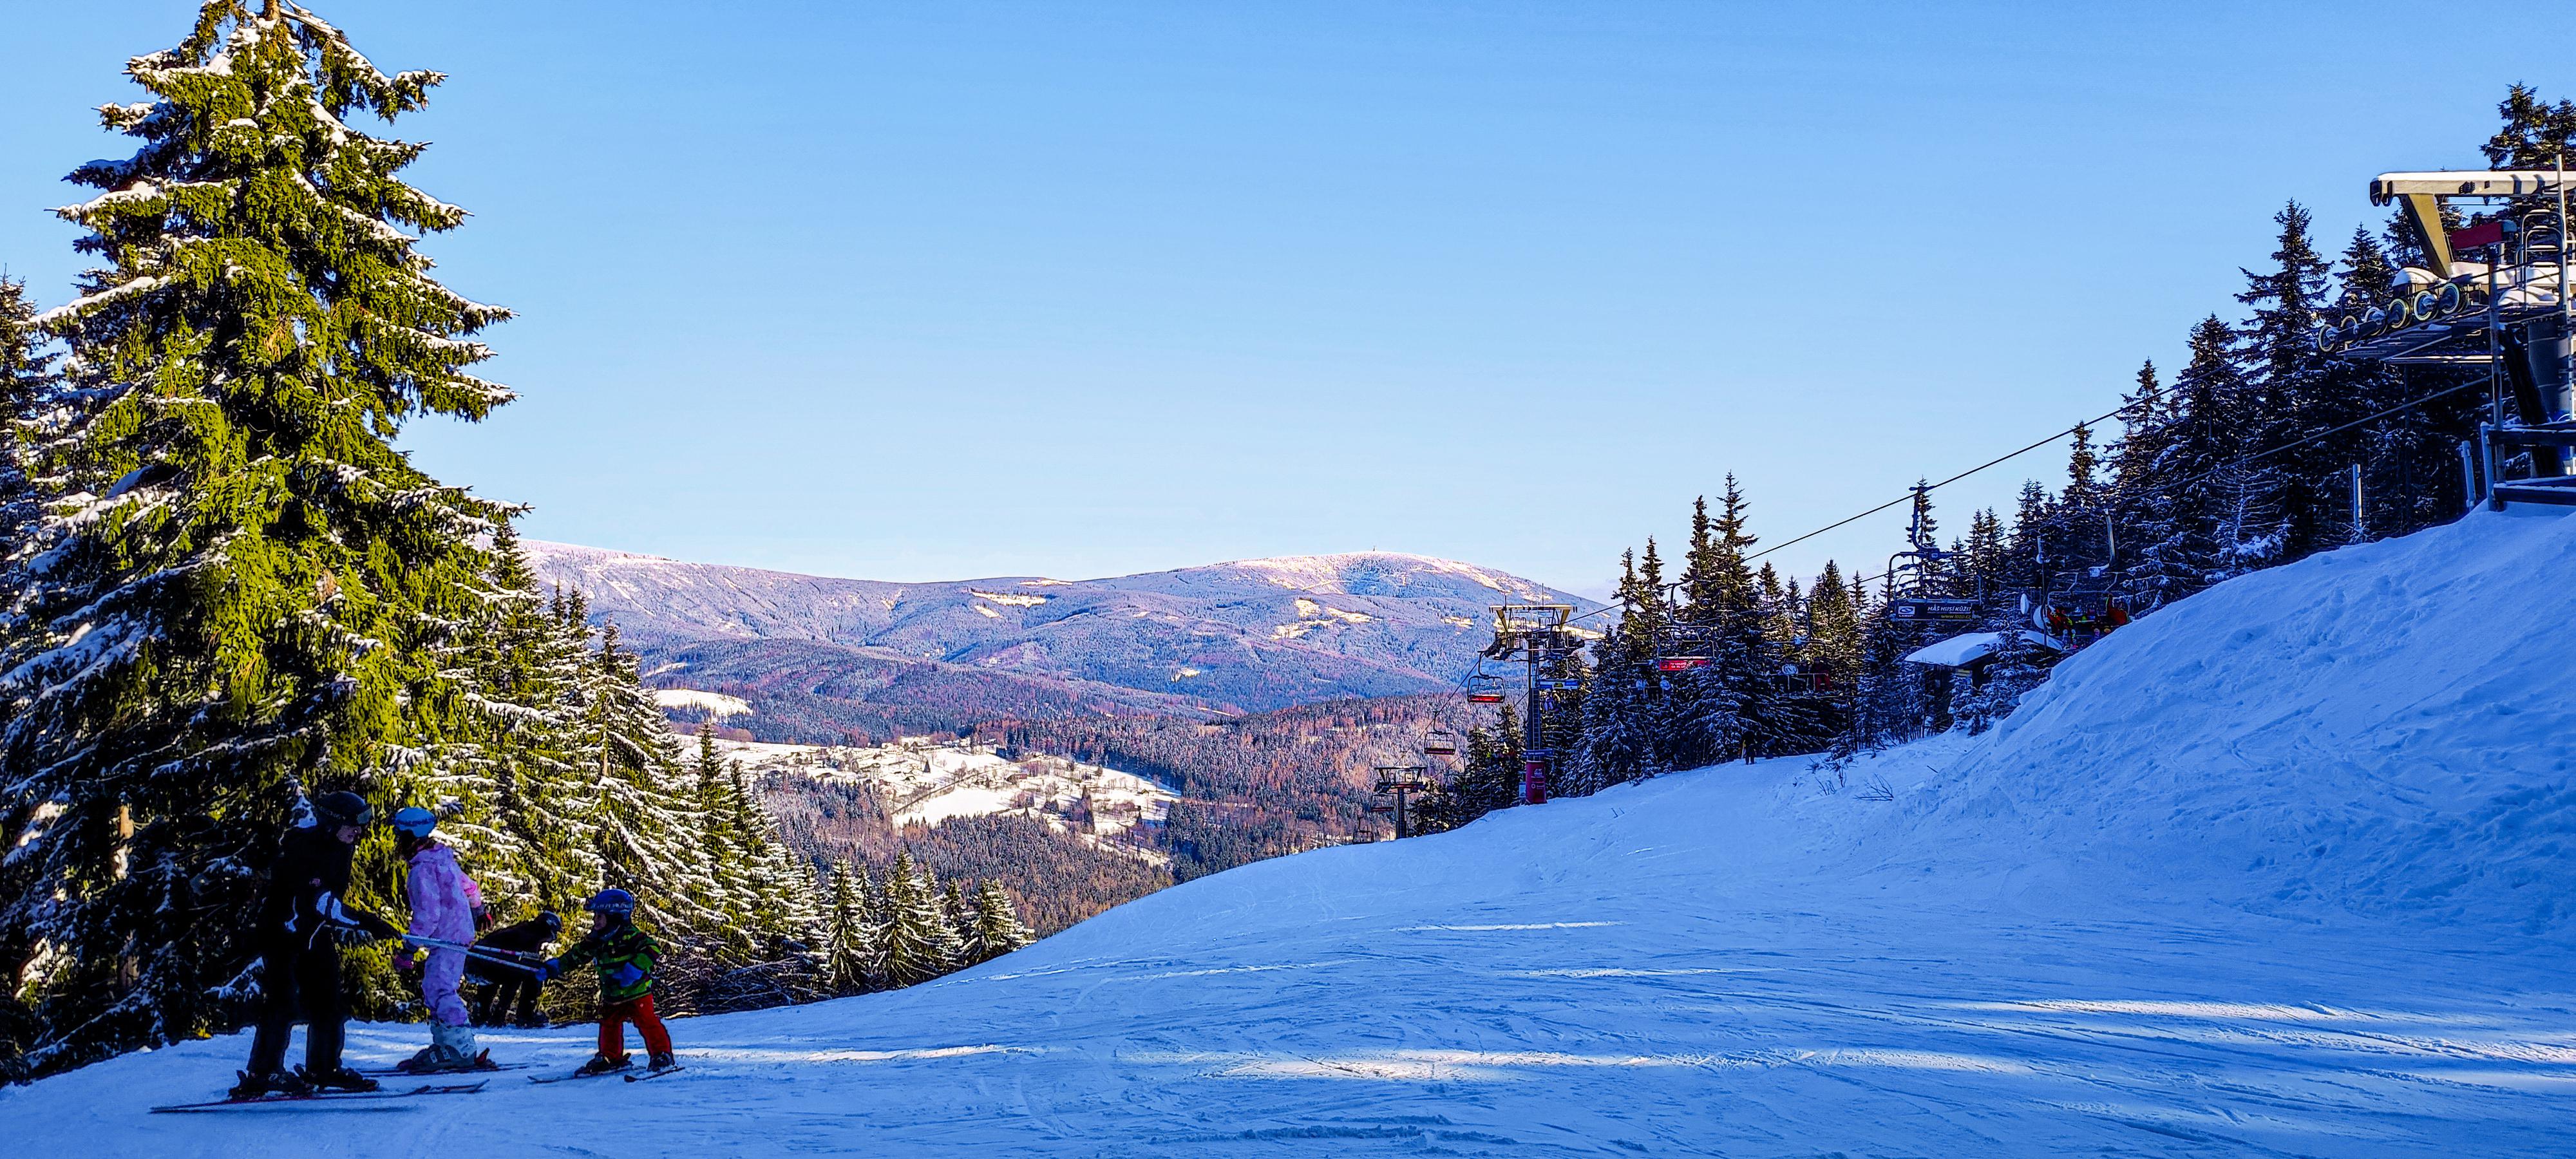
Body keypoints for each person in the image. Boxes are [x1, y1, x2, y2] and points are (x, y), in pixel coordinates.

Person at [234, 791, 404, 1100]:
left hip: (313, 933)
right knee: (282, 1002)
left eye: (363, 822)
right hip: (282, 934)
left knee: (328, 1000)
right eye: (354, 823)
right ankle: (264, 1072)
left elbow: (329, 901)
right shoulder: (304, 850)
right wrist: (367, 922)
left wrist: (362, 921)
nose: (360, 830)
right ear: (333, 823)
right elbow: (321, 903)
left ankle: (323, 1068)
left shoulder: (342, 846)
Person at [390, 806, 484, 1073]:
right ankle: (446, 1044)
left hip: (446, 938)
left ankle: (460, 1048)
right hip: (454, 934)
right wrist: (478, 909)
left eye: (399, 836)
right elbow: (470, 886)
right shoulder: (442, 859)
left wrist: (408, 949)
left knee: (441, 989)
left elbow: (428, 915)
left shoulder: (422, 870)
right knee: (435, 987)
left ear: (409, 836)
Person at [545, 889, 676, 1075]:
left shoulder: (630, 936)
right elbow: (577, 956)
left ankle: (662, 1055)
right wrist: (556, 967)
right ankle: (610, 1057)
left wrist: (634, 969)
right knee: (609, 1024)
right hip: (612, 995)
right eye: (595, 916)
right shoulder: (596, 940)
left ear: (616, 917)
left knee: (648, 1022)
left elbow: (652, 949)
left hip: (637, 992)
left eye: (600, 916)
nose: (595, 921)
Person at [469, 910, 561, 1028]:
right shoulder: (531, 936)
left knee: (511, 972)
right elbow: (516, 975)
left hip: (478, 960)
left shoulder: (524, 930)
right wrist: (500, 1014)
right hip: (486, 962)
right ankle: (524, 1016)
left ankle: (481, 1014)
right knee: (530, 974)